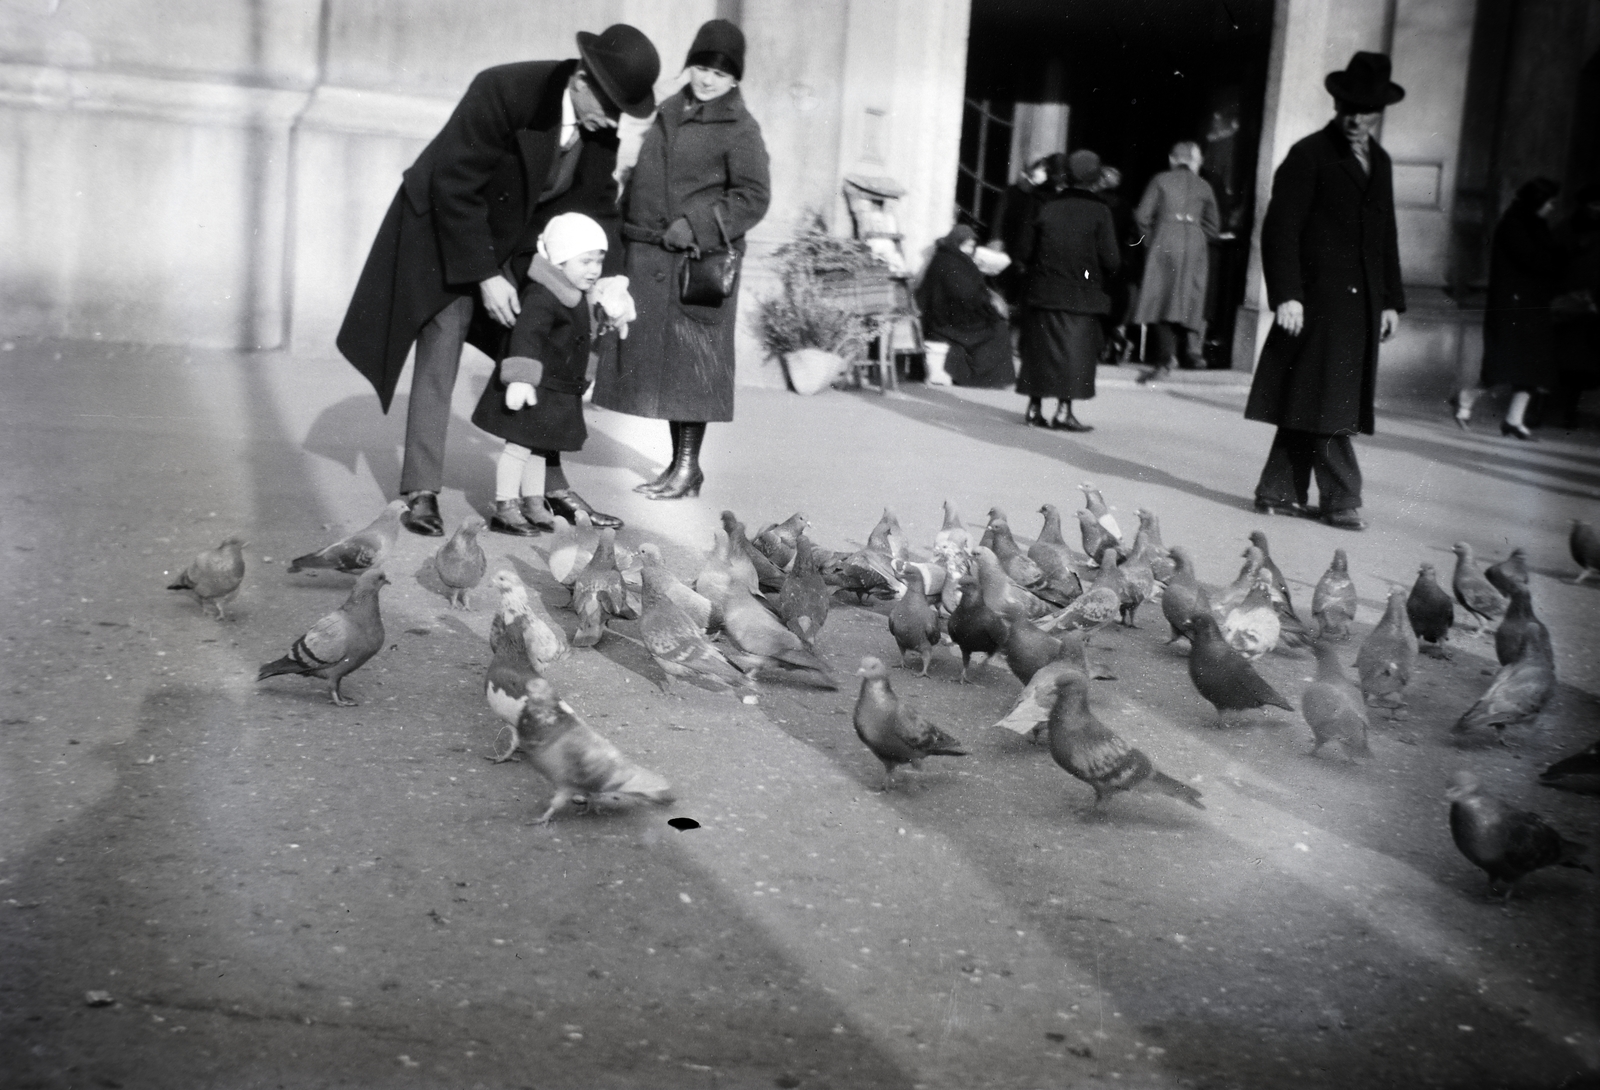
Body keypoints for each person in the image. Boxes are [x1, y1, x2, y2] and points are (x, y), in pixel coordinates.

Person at [336, 25, 660, 536]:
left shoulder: (600, 123)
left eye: (624, 107)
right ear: (580, 80)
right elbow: (454, 183)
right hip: (444, 229)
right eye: (612, 102)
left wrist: (609, 278)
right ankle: (421, 489)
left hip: (512, 242)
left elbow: (596, 205)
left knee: (547, 346)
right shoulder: (504, 90)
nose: (614, 117)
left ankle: (549, 489)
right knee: (441, 345)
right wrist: (486, 275)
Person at [592, 19, 771, 501]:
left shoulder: (741, 128)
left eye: (721, 71)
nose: (708, 78)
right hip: (651, 259)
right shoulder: (669, 110)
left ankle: (687, 467)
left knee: (693, 370)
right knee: (670, 374)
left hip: (698, 266)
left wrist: (697, 225)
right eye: (701, 66)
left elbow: (754, 197)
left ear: (736, 79)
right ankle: (680, 467)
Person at [1243, 52, 1407, 532]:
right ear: (1336, 105)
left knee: (1311, 392)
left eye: (1366, 110)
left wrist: (1392, 299)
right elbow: (1280, 229)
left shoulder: (1382, 161)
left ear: (1379, 112)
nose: (1357, 119)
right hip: (1317, 301)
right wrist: (1287, 295)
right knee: (1328, 397)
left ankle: (1276, 491)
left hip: (1362, 304)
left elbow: (1386, 234)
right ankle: (1341, 499)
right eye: (1349, 108)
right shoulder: (1309, 154)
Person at [470, 214, 633, 535]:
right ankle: (505, 505)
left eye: (598, 261)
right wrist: (520, 377)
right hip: (532, 387)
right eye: (585, 261)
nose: (594, 270)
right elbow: (526, 337)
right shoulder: (543, 295)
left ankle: (532, 502)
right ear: (559, 261)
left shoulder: (576, 295)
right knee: (518, 447)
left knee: (538, 448)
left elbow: (583, 339)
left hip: (553, 389)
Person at [1014, 149, 1121, 431]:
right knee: (1074, 354)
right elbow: (1112, 259)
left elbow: (1024, 251)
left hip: (1044, 291)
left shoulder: (1047, 206)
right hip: (1081, 295)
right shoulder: (1100, 211)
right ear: (1095, 178)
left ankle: (1034, 408)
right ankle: (1064, 411)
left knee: (1040, 351)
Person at [1450, 178, 1564, 439]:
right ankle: (1465, 397)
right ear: (1537, 202)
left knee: (1535, 366)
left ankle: (1514, 419)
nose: (1552, 208)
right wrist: (1560, 258)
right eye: (1550, 203)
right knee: (1503, 364)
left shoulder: (1535, 223)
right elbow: (1534, 261)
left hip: (1531, 305)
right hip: (1512, 306)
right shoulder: (1514, 225)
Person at [1132, 141, 1223, 382]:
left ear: (1173, 159)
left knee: (1160, 297)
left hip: (1164, 239)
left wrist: (1152, 239)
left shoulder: (1160, 180)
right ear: (1192, 162)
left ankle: (1166, 356)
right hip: (1194, 242)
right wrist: (1196, 236)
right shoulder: (1203, 185)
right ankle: (1187, 352)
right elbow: (1214, 226)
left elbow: (1142, 216)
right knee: (1186, 298)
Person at [915, 225, 1015, 388]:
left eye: (971, 246)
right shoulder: (949, 262)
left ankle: (991, 379)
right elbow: (963, 294)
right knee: (997, 328)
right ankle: (983, 379)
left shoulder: (951, 258)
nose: (970, 250)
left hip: (953, 316)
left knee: (996, 323)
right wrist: (984, 303)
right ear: (957, 242)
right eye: (967, 245)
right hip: (948, 321)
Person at [1090, 165, 1137, 362]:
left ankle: (1102, 347)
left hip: (1096, 259)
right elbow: (1131, 235)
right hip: (1116, 261)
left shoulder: (1096, 202)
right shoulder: (1124, 205)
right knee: (1110, 308)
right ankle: (1113, 342)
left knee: (1095, 307)